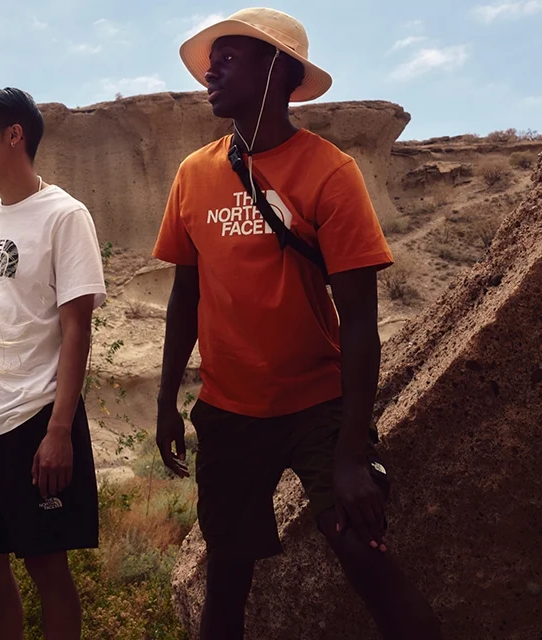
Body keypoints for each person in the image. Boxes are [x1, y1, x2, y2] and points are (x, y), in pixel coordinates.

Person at [153, 8, 443, 639]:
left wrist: (348, 459)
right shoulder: (193, 174)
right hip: (228, 411)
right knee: (225, 578)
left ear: (278, 70)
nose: (210, 72)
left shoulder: (330, 172)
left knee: (365, 556)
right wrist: (168, 398)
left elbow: (361, 323)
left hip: (318, 403)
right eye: (212, 60)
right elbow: (185, 294)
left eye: (228, 59)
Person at [0, 87, 106, 640]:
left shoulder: (65, 215)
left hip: (38, 417)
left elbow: (76, 327)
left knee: (46, 564)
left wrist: (60, 430)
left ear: (14, 135)